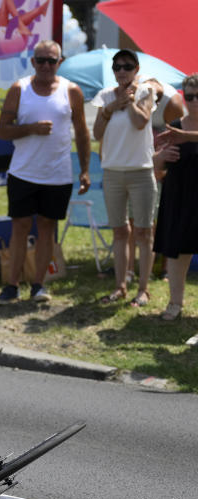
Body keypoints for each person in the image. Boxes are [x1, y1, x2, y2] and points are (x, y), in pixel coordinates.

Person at [0, 40, 90, 305]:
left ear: (60, 62)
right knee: (20, 227)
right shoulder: (19, 89)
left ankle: (39, 285)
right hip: (23, 172)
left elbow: (82, 133)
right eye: (41, 60)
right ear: (33, 62)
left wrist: (84, 170)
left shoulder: (72, 91)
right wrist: (30, 128)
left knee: (48, 228)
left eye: (52, 60)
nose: (46, 65)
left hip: (57, 174)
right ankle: (11, 285)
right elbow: (2, 130)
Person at [92, 49, 157, 307]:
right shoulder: (105, 96)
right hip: (113, 172)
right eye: (117, 67)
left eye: (127, 67)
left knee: (144, 231)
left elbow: (141, 122)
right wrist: (110, 108)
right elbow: (97, 132)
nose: (122, 71)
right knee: (119, 230)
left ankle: (144, 289)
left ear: (136, 69)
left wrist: (128, 101)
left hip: (141, 171)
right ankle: (120, 286)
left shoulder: (146, 93)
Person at [152, 73, 198, 321]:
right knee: (177, 251)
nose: (193, 101)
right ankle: (175, 303)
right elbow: (154, 161)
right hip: (179, 192)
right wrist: (161, 158)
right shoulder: (176, 126)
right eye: (189, 96)